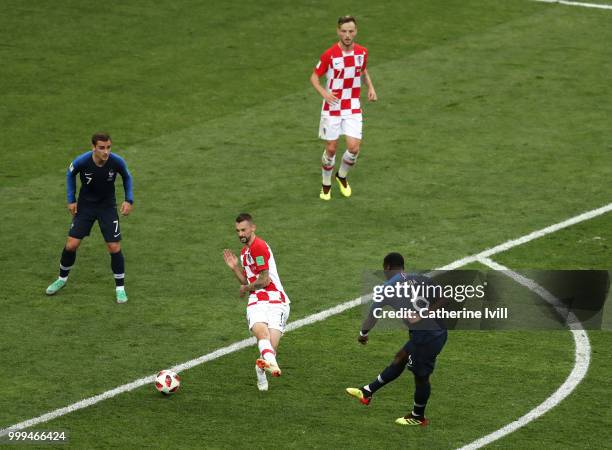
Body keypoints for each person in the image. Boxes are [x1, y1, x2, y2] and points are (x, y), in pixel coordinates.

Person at [345, 252, 448, 426]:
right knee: (401, 357)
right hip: (434, 332)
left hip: (427, 337)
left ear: (387, 267)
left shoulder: (387, 288)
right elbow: (444, 297)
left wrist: (363, 334)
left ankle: (417, 417)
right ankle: (367, 392)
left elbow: (373, 315)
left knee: (421, 376)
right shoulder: (419, 278)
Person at [45, 132, 134, 303]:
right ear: (93, 147)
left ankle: (120, 288)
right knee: (71, 245)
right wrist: (71, 199)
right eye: (101, 148)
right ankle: (62, 279)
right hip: (86, 207)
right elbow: (70, 174)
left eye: (108, 147)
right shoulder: (82, 161)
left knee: (114, 247)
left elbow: (127, 177)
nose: (106, 151)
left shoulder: (116, 161)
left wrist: (128, 200)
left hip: (107, 207)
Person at [310, 15, 377, 201]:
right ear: (338, 31)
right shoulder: (329, 54)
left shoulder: (362, 52)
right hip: (332, 106)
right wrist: (324, 93)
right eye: (344, 31)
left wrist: (370, 87)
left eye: (351, 31)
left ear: (356, 32)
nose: (348, 35)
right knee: (331, 148)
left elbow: (362, 71)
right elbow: (314, 77)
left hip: (353, 105)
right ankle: (326, 184)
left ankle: (342, 176)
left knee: (354, 148)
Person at [223, 213, 291, 391]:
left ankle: (261, 368)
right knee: (263, 336)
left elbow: (265, 280)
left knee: (270, 349)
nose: (240, 234)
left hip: (276, 299)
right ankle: (272, 366)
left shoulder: (258, 247)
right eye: (237, 231)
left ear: (253, 228)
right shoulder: (245, 252)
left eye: (243, 229)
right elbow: (247, 281)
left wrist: (246, 289)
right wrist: (235, 267)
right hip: (257, 301)